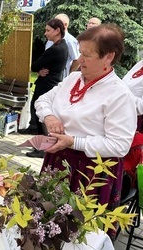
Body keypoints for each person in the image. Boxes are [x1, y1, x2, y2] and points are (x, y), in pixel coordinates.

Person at [35, 24, 136, 225]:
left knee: (75, 230)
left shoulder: (119, 95)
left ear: (108, 56)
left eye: (87, 55)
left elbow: (119, 146)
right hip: (58, 160)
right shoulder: (73, 79)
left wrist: (73, 141)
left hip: (90, 173)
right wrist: (50, 118)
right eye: (80, 53)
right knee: (43, 223)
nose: (80, 60)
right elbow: (42, 101)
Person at [20, 19, 68, 158]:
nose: (45, 33)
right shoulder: (63, 46)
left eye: (48, 30)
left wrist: (38, 69)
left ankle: (41, 148)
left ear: (57, 30)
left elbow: (35, 65)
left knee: (41, 115)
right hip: (51, 82)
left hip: (46, 85)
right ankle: (42, 145)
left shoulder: (55, 49)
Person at [46, 13, 80, 79]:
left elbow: (76, 60)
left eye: (57, 23)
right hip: (47, 78)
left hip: (61, 78)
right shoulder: (50, 39)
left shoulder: (70, 40)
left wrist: (69, 75)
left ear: (65, 25)